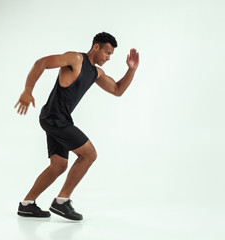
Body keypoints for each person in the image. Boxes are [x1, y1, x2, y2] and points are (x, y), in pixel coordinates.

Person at [14, 32, 139, 220]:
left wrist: (131, 70)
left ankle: (27, 204)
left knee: (59, 166)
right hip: (55, 118)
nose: (108, 57)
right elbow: (42, 62)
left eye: (111, 54)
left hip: (60, 119)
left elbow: (117, 90)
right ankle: (62, 201)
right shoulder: (76, 59)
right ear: (96, 47)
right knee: (89, 154)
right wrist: (27, 90)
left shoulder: (97, 73)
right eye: (106, 52)